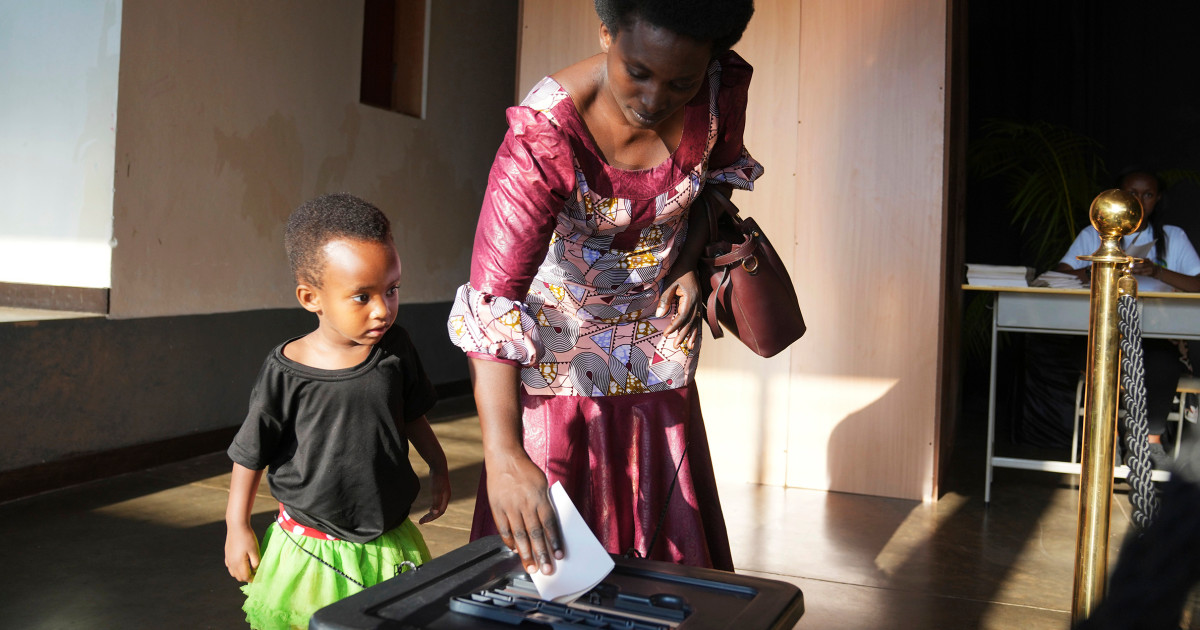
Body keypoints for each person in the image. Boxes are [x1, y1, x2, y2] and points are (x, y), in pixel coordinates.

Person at [447, 0, 758, 576]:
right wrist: (503, 453)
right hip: (554, 340)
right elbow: (493, 300)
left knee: (659, 504)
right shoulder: (545, 134)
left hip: (655, 332)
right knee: (553, 542)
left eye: (679, 83)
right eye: (637, 71)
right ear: (606, 33)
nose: (654, 98)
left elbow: (718, 178)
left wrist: (687, 263)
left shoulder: (719, 91)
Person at [224, 193, 450, 630]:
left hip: (388, 540)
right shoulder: (285, 371)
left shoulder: (395, 349)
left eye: (392, 289)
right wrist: (237, 527)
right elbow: (249, 454)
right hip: (311, 544)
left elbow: (410, 415)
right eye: (362, 296)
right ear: (312, 298)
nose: (383, 309)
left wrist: (439, 466)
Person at [1055, 169, 1200, 467]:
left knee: (1162, 364)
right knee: (1104, 361)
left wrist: (1157, 271)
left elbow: (1197, 282)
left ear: (1157, 199)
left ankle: (1150, 440)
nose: (1139, 200)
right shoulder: (1093, 233)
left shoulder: (1172, 237)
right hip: (1103, 332)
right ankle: (1107, 440)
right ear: (1116, 196)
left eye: (1147, 194)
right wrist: (1106, 267)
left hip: (1154, 334)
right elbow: (1060, 275)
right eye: (1131, 193)